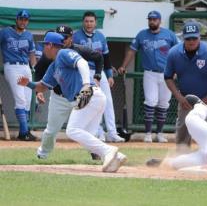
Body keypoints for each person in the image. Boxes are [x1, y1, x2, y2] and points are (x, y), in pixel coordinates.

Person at [18, 32, 127, 172]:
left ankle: (109, 150)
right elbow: (42, 86)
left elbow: (82, 63)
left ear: (51, 45)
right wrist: (28, 84)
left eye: (45, 45)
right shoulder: (53, 66)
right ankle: (117, 156)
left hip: (89, 94)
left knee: (72, 130)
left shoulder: (63, 53)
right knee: (85, 136)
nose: (44, 48)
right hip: (93, 97)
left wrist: (87, 84)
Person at [34, 25, 105, 159]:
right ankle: (43, 153)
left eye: (65, 37)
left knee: (84, 127)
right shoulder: (50, 53)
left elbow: (98, 57)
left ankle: (97, 152)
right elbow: (39, 72)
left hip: (79, 95)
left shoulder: (78, 50)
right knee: (51, 130)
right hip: (58, 96)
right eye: (59, 36)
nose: (62, 39)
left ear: (71, 38)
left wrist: (97, 76)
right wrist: (38, 92)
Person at [164, 21, 207, 150]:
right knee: (183, 126)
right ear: (183, 38)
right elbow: (168, 77)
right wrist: (179, 97)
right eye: (188, 38)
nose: (191, 41)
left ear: (200, 37)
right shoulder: (174, 53)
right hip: (186, 97)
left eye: (194, 38)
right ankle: (182, 155)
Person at [118, 10, 178, 143]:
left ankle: (160, 133)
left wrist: (177, 70)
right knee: (150, 101)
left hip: (167, 74)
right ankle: (148, 133)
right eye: (150, 19)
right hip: (150, 72)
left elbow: (178, 53)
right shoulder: (142, 35)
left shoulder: (169, 35)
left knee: (164, 103)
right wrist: (123, 66)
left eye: (155, 19)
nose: (152, 21)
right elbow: (132, 51)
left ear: (160, 21)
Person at [73, 11, 125, 143]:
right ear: (83, 22)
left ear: (95, 23)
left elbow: (106, 58)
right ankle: (98, 132)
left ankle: (112, 132)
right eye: (86, 21)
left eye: (91, 21)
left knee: (107, 101)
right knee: (92, 102)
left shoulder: (101, 36)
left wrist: (109, 75)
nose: (89, 24)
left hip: (99, 71)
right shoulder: (76, 36)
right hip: (85, 71)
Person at [0, 9, 37, 141]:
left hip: (25, 68)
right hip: (12, 66)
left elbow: (32, 54)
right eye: (21, 19)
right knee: (20, 99)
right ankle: (25, 131)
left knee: (27, 101)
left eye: (25, 19)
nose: (23, 21)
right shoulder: (5, 32)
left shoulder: (29, 35)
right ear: (16, 19)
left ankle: (23, 132)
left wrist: (33, 67)